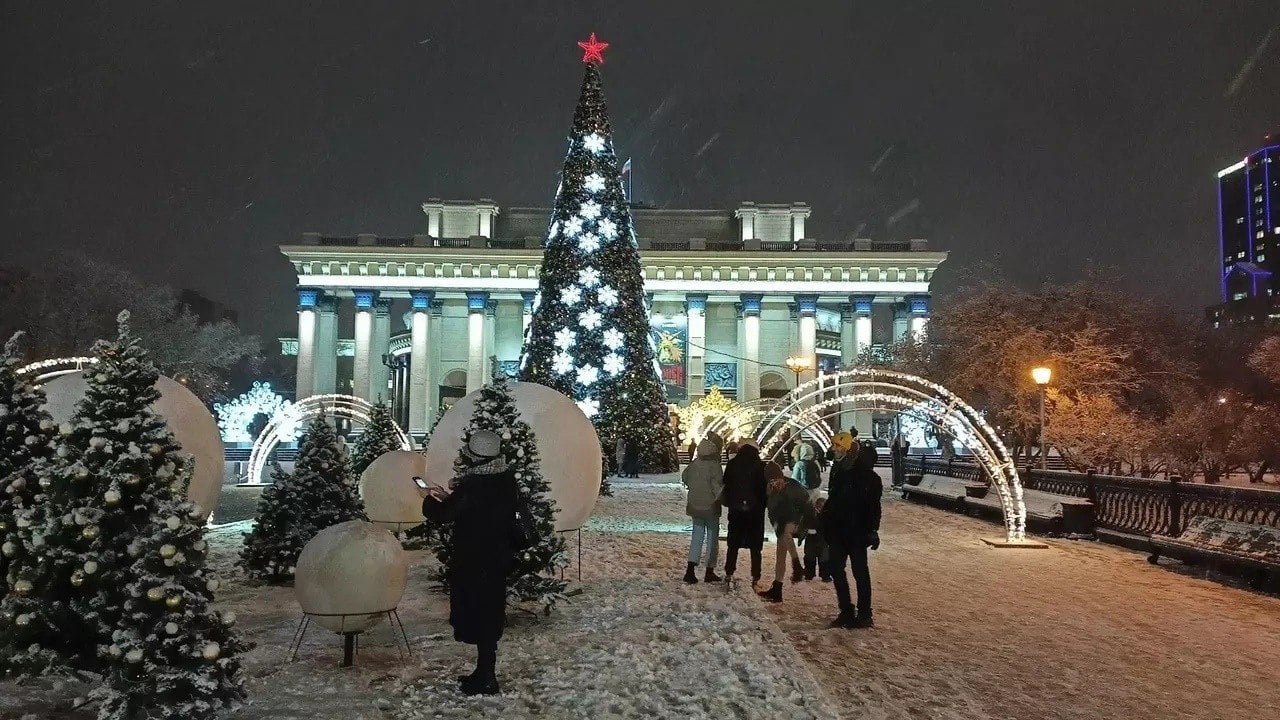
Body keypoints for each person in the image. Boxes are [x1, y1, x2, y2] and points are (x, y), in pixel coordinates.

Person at [419, 429, 519, 695]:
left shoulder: (474, 485)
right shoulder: (504, 479)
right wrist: (451, 497)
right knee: (489, 613)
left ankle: (486, 678)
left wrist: (429, 499)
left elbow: (443, 515)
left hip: (475, 560)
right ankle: (484, 671)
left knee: (478, 613)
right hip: (496, 558)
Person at [822, 435, 883, 629]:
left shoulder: (858, 475)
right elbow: (836, 500)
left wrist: (872, 529)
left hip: (850, 532)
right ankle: (854, 612)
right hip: (848, 532)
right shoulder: (844, 471)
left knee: (851, 571)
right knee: (846, 571)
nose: (834, 449)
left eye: (837, 446)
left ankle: (857, 612)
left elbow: (871, 506)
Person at [759, 459, 815, 603]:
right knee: (780, 555)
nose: (774, 483)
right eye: (770, 481)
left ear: (781, 476)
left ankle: (796, 564)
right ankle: (777, 589)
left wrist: (806, 523)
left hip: (796, 523)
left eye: (776, 479)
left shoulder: (793, 486)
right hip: (781, 525)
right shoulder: (768, 490)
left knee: (785, 533)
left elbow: (808, 503)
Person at [720, 440, 767, 587]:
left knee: (733, 543)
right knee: (755, 546)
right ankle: (755, 575)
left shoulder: (733, 464)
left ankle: (729, 571)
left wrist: (730, 501)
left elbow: (726, 483)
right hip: (755, 511)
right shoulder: (760, 465)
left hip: (736, 510)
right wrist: (762, 504)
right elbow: (763, 489)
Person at [681, 438, 724, 583]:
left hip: (694, 505)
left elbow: (684, 477)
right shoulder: (715, 466)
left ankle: (690, 570)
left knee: (697, 536)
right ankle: (709, 571)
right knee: (712, 539)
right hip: (710, 507)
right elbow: (717, 488)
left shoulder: (694, 464)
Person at [800, 496, 831, 582]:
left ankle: (825, 576)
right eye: (818, 506)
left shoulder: (827, 516)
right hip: (811, 539)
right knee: (810, 558)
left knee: (824, 559)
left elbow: (829, 527)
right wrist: (802, 536)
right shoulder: (809, 514)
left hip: (822, 540)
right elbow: (803, 525)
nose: (819, 508)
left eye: (821, 507)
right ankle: (809, 574)